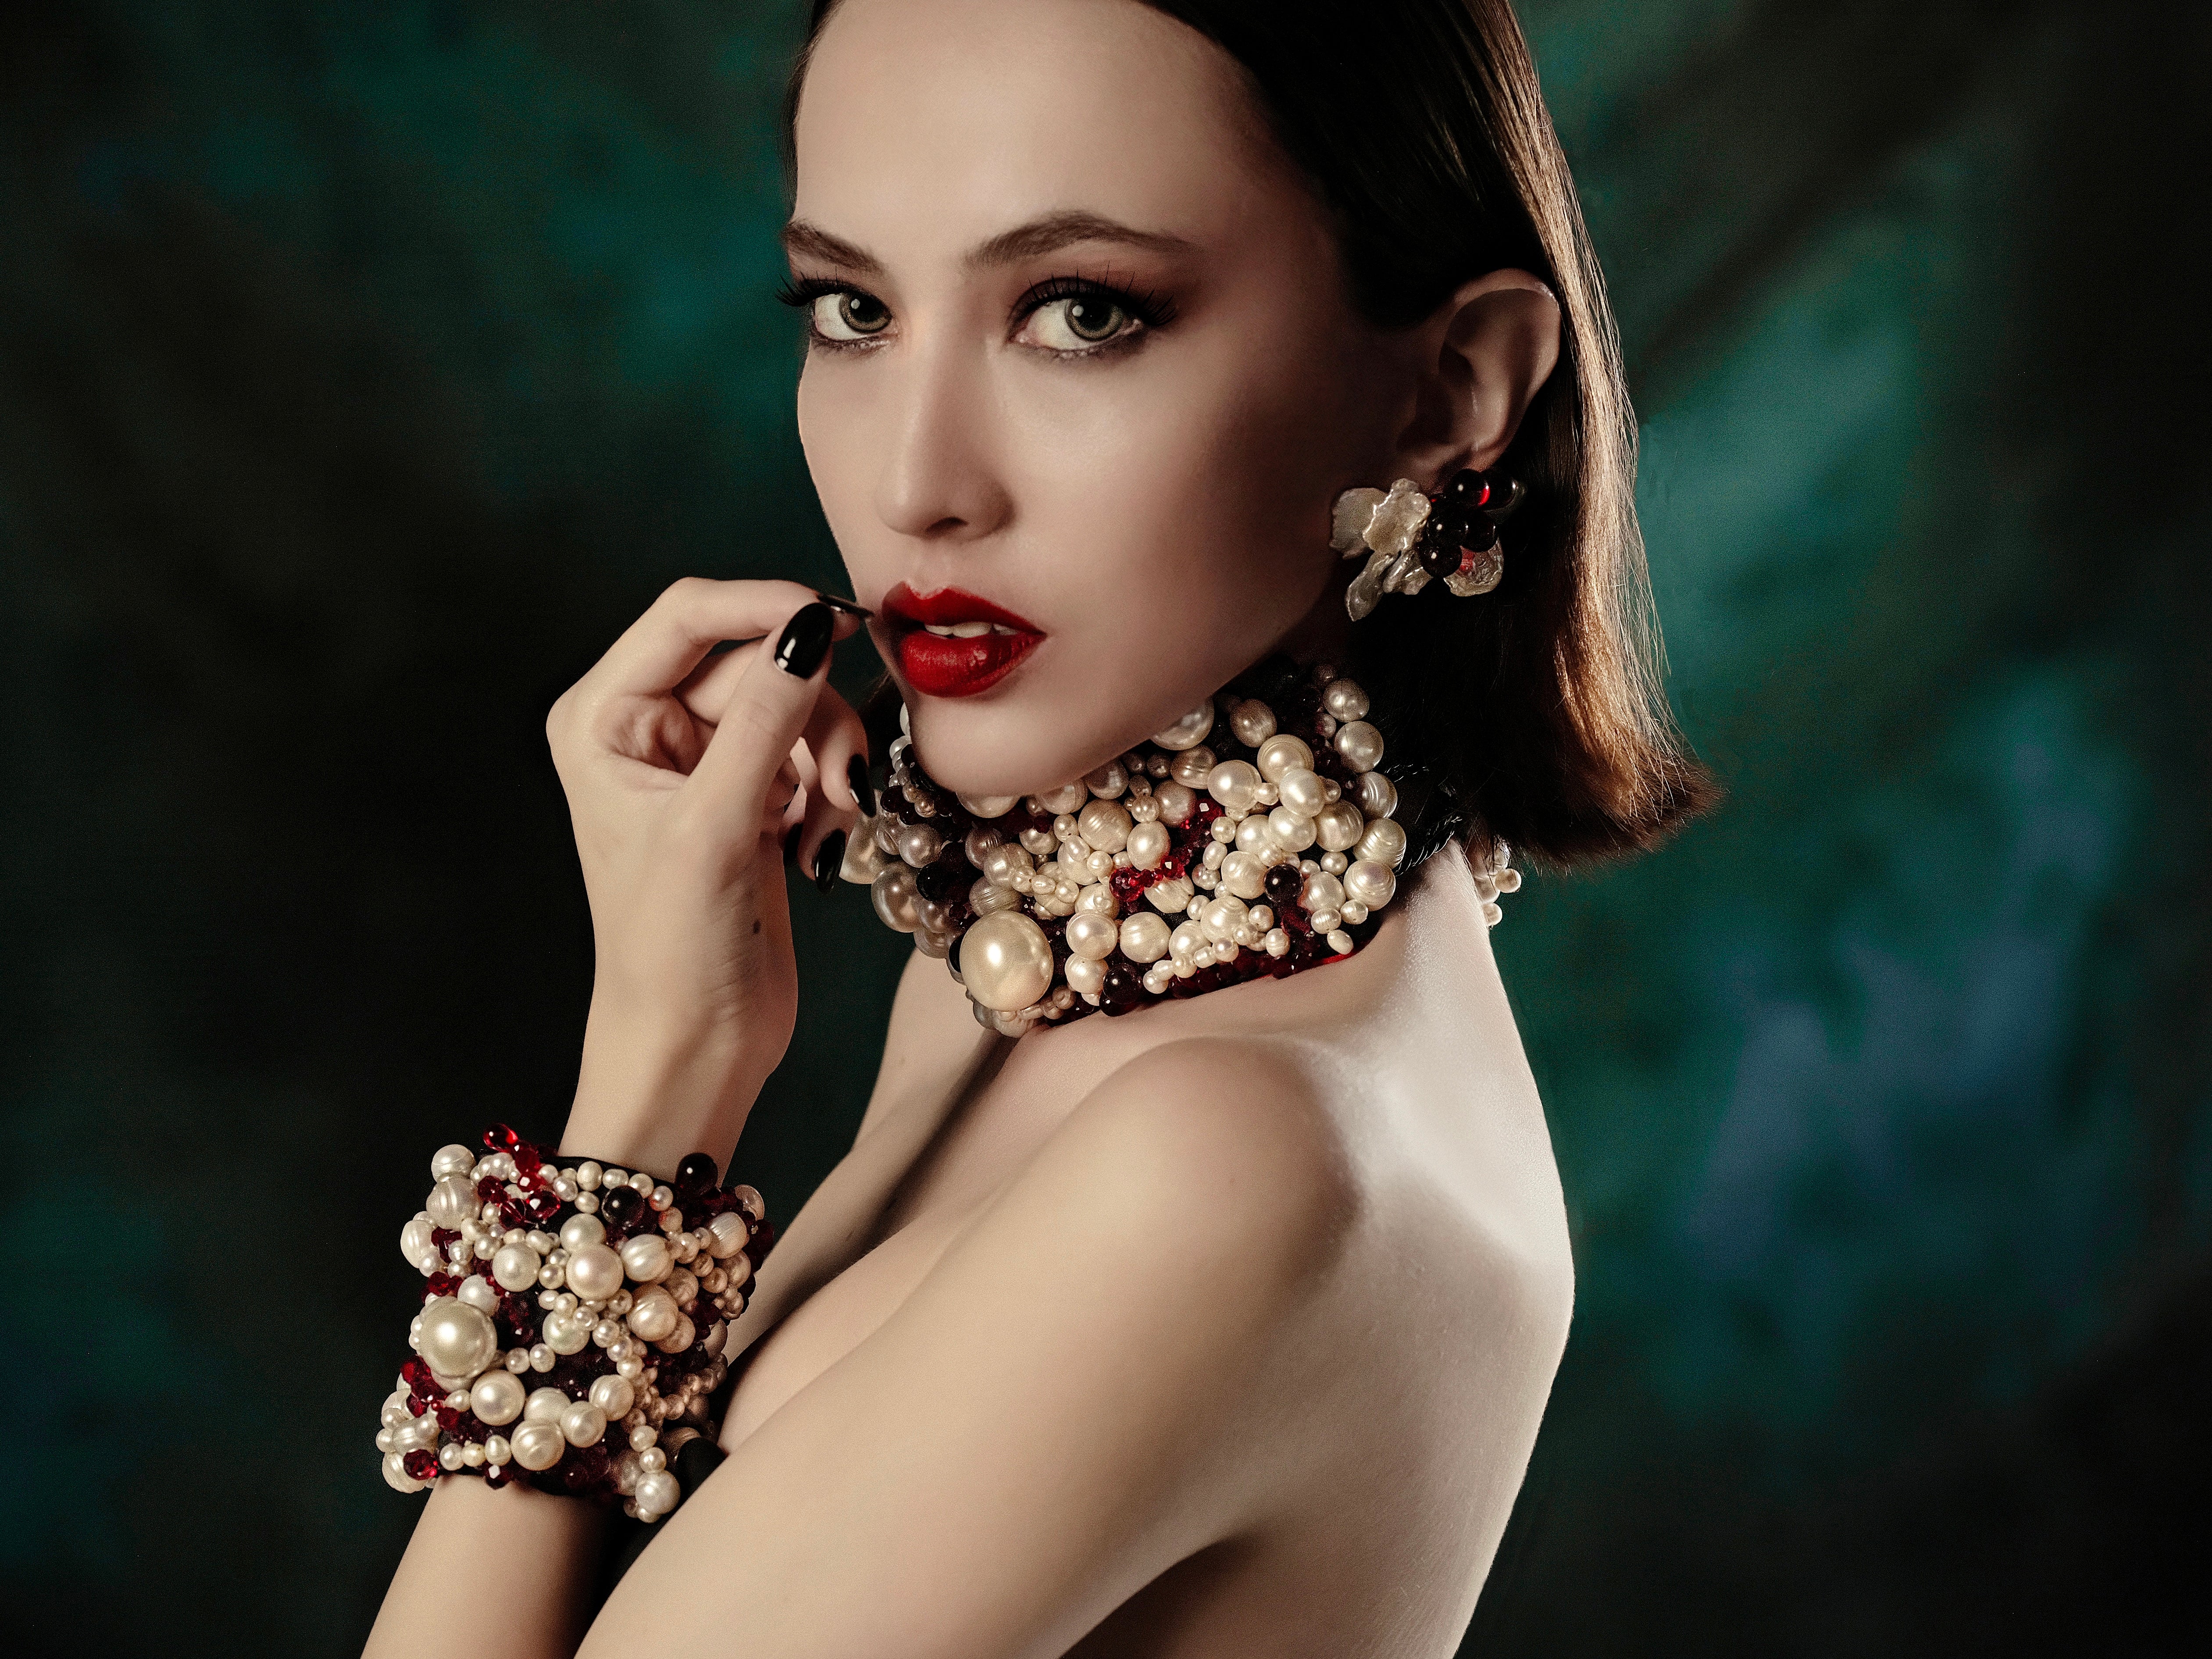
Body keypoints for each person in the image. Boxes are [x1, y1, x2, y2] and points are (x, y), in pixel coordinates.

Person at [365, 0, 1709, 1653]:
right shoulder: (1025, 981)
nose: (916, 484)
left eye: (1082, 313)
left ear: (1451, 387)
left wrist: (644, 1094)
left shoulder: (1240, 1160)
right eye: (854, 309)